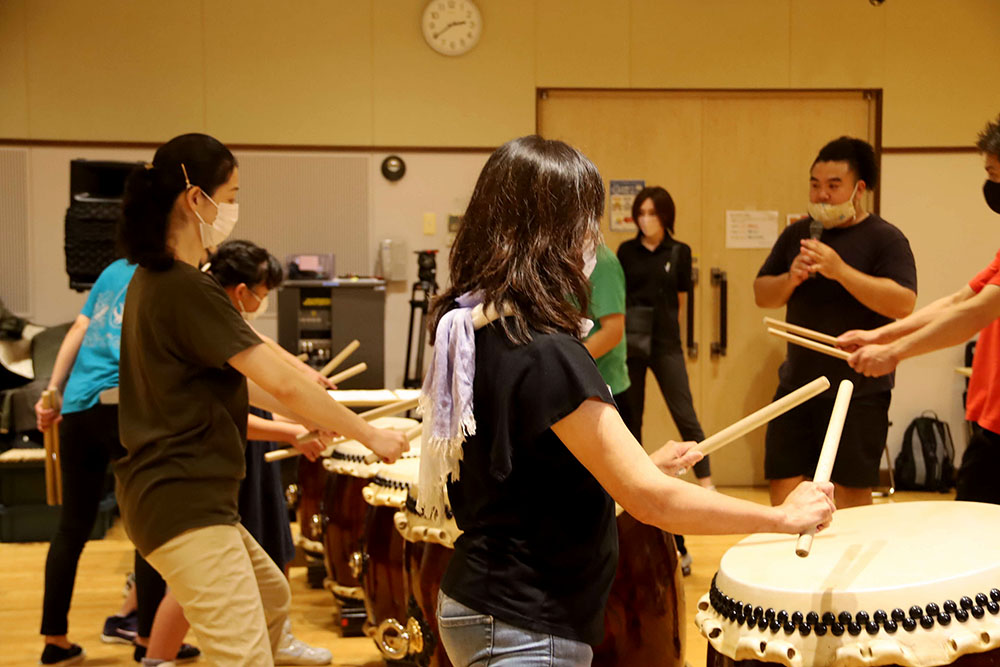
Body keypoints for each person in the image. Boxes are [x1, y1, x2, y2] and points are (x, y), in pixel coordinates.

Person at [418, 135, 835, 666]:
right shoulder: (549, 353)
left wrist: (640, 466)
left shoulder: (480, 330)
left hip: (481, 602)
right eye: (585, 222)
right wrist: (782, 516)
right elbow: (651, 502)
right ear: (554, 234)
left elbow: (523, 483)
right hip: (526, 622)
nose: (592, 239)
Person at [114, 133, 408, 666]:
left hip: (177, 496)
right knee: (244, 656)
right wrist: (369, 434)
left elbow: (248, 384)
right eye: (229, 194)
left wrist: (312, 421)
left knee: (271, 591)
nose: (231, 209)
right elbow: (284, 381)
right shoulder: (183, 286)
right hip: (182, 500)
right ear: (194, 198)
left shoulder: (154, 282)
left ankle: (278, 646)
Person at [33, 257, 199, 666]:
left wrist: (52, 392)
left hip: (78, 404)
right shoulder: (174, 272)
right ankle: (147, 640)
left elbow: (79, 327)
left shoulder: (112, 270)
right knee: (146, 526)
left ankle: (55, 642)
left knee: (71, 526)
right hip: (128, 405)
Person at [842, 114, 1000, 505]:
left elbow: (975, 314)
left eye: (995, 174)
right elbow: (959, 299)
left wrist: (893, 354)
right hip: (992, 425)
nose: (991, 186)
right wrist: (880, 335)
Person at [754, 136, 917, 509]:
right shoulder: (798, 234)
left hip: (860, 390)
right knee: (784, 483)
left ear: (858, 189)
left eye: (833, 185)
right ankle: (784, 565)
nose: (821, 194)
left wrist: (840, 270)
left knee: (851, 492)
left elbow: (904, 303)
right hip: (797, 385)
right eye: (815, 184)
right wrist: (790, 278)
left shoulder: (886, 239)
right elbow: (763, 294)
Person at [617, 187, 714, 489]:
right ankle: (634, 484)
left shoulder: (679, 251)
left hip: (666, 343)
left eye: (652, 213)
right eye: (641, 213)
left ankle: (707, 483)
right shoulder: (626, 252)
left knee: (685, 414)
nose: (646, 220)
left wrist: (677, 340)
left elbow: (681, 302)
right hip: (631, 343)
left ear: (665, 216)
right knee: (630, 417)